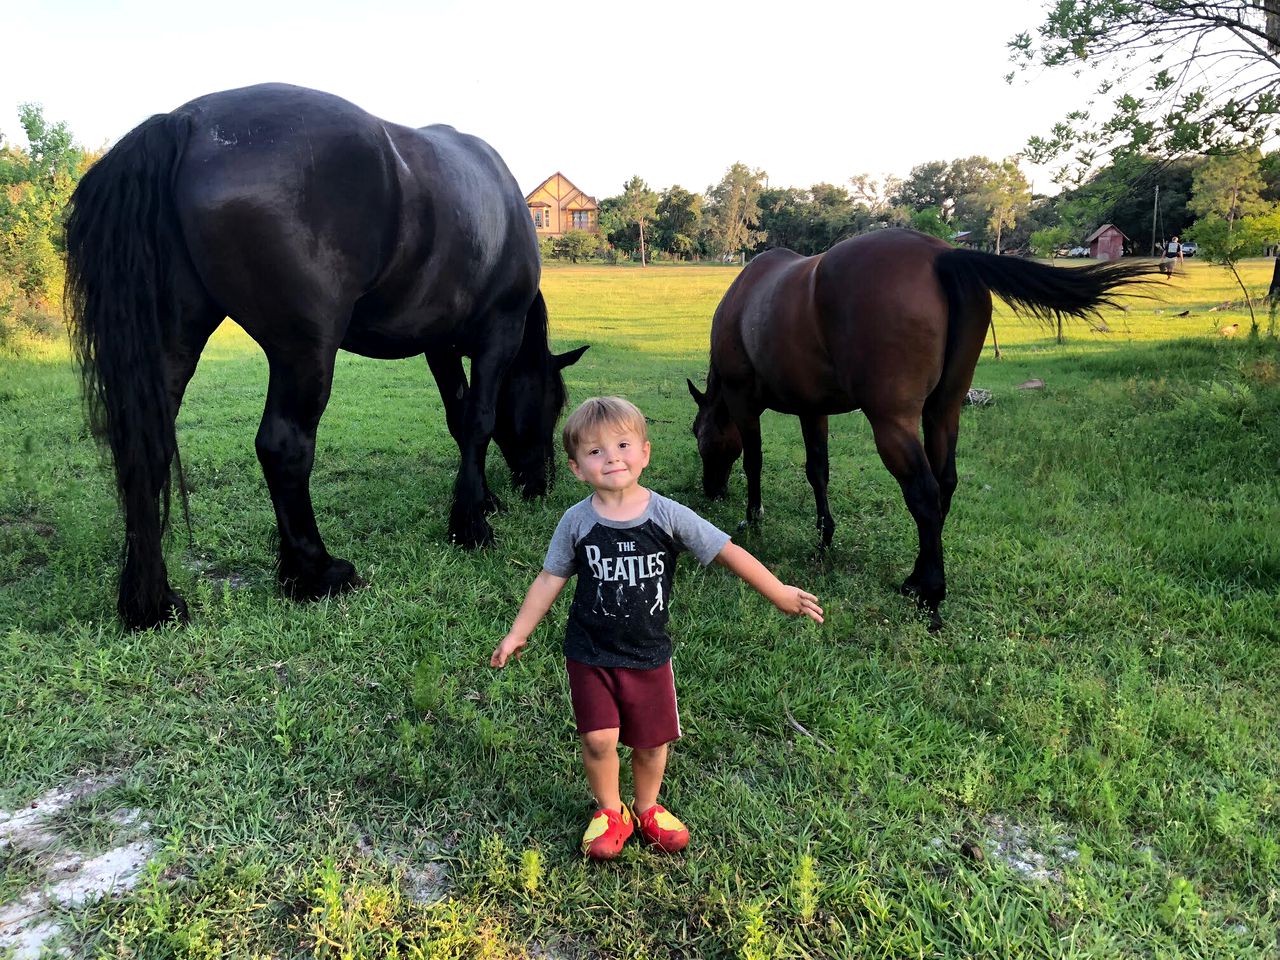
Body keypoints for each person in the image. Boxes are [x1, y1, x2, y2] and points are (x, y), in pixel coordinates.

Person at [490, 396, 824, 860]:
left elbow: (726, 550)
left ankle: (646, 807)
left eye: (624, 445)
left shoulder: (667, 515)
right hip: (590, 651)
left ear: (644, 453)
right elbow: (550, 578)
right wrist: (518, 631)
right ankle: (611, 812)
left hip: (649, 653)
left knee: (650, 743)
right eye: (596, 452)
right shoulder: (576, 522)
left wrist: (778, 591)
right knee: (599, 738)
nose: (612, 458)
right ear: (575, 468)